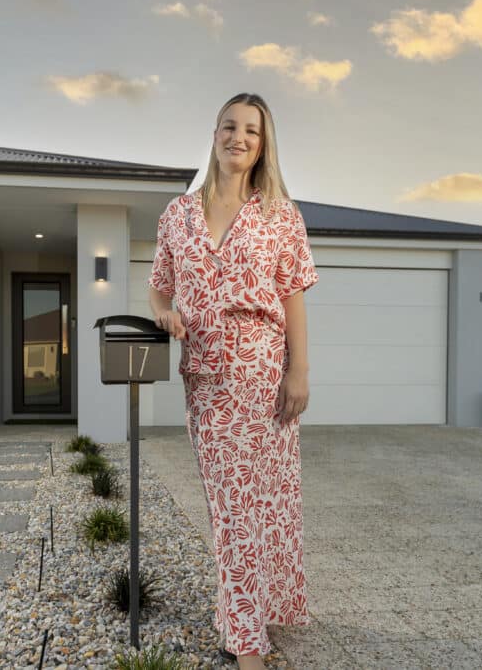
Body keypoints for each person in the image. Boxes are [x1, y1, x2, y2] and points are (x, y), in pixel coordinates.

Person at [147, 92, 317, 670]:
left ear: (263, 145)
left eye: (251, 130)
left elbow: (293, 296)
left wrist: (299, 370)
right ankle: (242, 615)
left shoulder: (280, 214)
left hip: (264, 372)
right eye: (229, 126)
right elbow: (159, 284)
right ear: (214, 134)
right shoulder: (177, 214)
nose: (238, 138)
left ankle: (246, 641)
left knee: (257, 503)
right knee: (232, 506)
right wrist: (164, 313)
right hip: (205, 377)